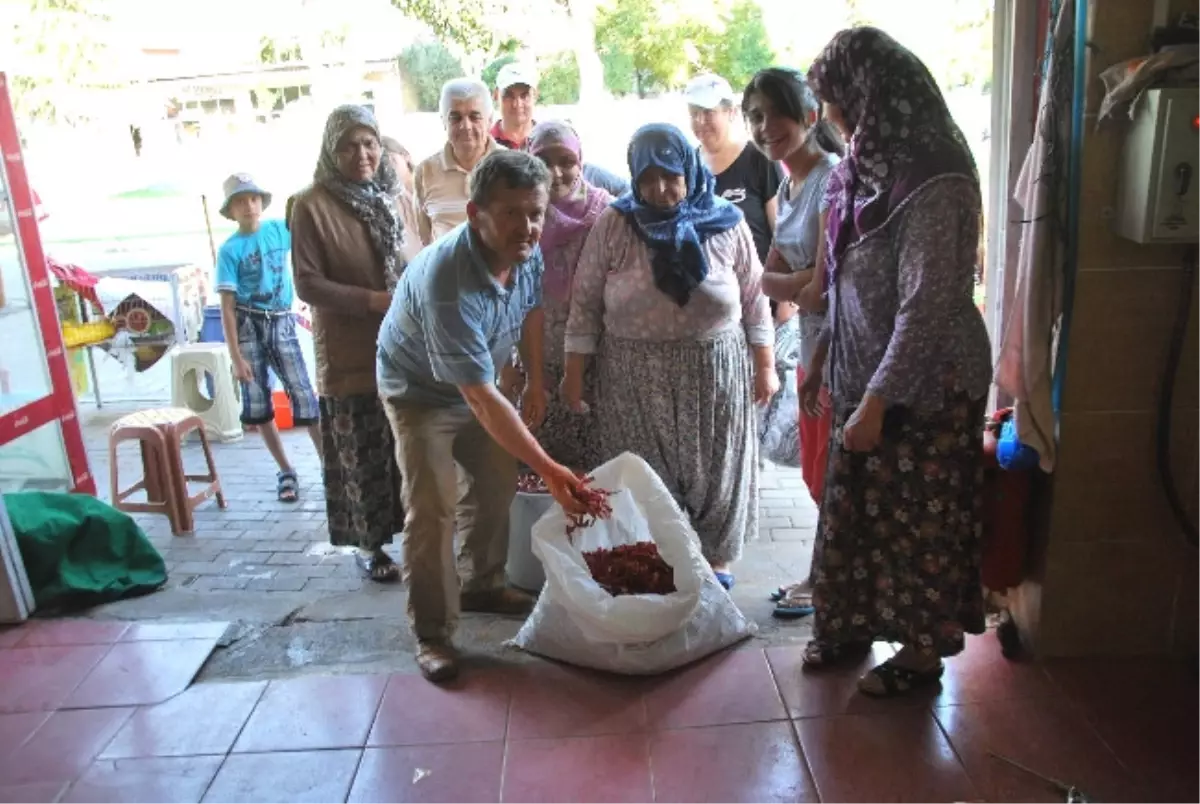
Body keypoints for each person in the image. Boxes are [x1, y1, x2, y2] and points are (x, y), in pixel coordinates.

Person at [801, 27, 992, 697]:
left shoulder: (933, 177)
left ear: (869, 94)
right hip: (866, 376)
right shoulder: (865, 164)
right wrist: (826, 351)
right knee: (854, 509)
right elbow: (845, 275)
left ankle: (918, 658)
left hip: (928, 386)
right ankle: (848, 624)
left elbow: (928, 305)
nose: (827, 115)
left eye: (833, 99)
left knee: (917, 520)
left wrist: (879, 402)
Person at [377, 149, 588, 682]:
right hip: (418, 390)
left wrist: (537, 378)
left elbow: (533, 309)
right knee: (432, 507)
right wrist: (549, 467)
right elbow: (478, 397)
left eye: (536, 212)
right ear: (476, 215)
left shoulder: (525, 249)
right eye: (512, 213)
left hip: (477, 384)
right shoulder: (447, 280)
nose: (528, 226)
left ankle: (482, 583)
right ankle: (433, 634)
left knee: (495, 481)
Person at [562, 123, 777, 590]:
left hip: (714, 370)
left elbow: (756, 297)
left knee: (716, 471)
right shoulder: (616, 224)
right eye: (648, 178)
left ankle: (716, 564)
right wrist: (574, 374)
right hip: (632, 375)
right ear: (634, 177)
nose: (660, 189)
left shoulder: (727, 221)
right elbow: (585, 303)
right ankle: (657, 560)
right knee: (644, 474)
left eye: (671, 176)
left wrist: (765, 366)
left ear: (690, 171)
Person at [741, 67, 844, 618]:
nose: (762, 126)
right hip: (809, 349)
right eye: (754, 116)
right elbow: (776, 277)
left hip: (839, 353)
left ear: (808, 115)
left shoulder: (832, 179)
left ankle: (826, 583)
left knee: (830, 474)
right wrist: (787, 282)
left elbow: (819, 292)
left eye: (772, 114)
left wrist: (785, 282)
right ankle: (826, 576)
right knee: (814, 472)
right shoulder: (788, 183)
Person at [291, 105, 407, 583]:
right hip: (347, 351)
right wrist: (373, 300)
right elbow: (307, 284)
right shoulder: (309, 204)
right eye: (349, 145)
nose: (361, 154)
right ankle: (370, 543)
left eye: (369, 144)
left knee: (401, 445)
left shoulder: (389, 195)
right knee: (360, 450)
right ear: (330, 150)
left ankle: (410, 531)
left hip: (398, 344)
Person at [215, 172, 321, 503]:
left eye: (253, 198)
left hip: (281, 321)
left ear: (261, 202)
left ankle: (328, 465)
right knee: (259, 405)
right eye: (241, 201)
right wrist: (236, 356)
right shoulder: (230, 251)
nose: (249, 206)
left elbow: (309, 233)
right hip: (249, 325)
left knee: (304, 395)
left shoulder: (279, 229)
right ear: (231, 211)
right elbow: (228, 307)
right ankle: (286, 469)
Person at [515, 120, 612, 470]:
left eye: (566, 161)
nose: (555, 172)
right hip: (536, 364)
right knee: (541, 470)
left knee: (597, 475)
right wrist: (523, 371)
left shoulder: (608, 214)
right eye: (543, 160)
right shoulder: (522, 216)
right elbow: (515, 296)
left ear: (581, 162)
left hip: (599, 366)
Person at [489, 61, 631, 197]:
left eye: (524, 95)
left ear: (535, 95)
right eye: (508, 96)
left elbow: (623, 188)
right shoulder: (484, 145)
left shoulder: (554, 139)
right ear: (496, 95)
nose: (517, 104)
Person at [685, 73, 781, 267]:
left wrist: (783, 285)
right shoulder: (687, 167)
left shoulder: (758, 158)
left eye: (708, 112)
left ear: (731, 112)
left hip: (762, 285)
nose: (700, 121)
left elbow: (781, 228)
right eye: (694, 114)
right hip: (708, 289)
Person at [412, 78, 502, 245]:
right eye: (456, 117)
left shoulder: (512, 166)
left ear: (490, 120)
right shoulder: (425, 172)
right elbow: (424, 242)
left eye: (475, 117)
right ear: (443, 122)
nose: (465, 126)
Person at [381, 135, 424, 264]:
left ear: (406, 156)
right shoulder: (389, 200)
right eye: (381, 165)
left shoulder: (428, 183)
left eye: (391, 160)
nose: (387, 169)